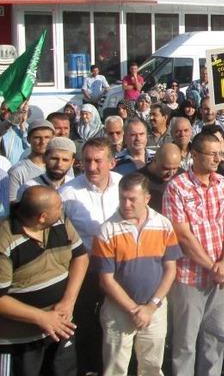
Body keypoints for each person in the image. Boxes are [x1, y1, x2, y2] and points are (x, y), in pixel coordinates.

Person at [91, 173, 180, 376]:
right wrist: (135, 309)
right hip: (117, 310)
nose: (126, 204)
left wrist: (150, 307)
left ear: (147, 199)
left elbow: (170, 269)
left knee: (152, 366)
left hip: (154, 309)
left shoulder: (164, 225)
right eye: (123, 198)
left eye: (132, 199)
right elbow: (106, 280)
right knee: (115, 368)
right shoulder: (106, 230)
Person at [163, 132, 224, 376]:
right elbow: (182, 235)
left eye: (220, 153)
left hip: (220, 277)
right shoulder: (177, 188)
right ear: (194, 155)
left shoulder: (222, 183)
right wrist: (212, 267)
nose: (218, 158)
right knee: (185, 343)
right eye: (211, 153)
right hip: (190, 278)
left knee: (216, 337)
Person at [0, 186, 88, 376]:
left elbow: (80, 257)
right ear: (42, 217)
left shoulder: (60, 221)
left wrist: (68, 302)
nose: (62, 207)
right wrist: (42, 317)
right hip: (19, 342)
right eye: (58, 206)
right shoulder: (4, 241)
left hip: (61, 329)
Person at [59, 136, 121, 374]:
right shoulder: (67, 194)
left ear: (111, 162)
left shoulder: (123, 184)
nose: (92, 167)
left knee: (116, 326)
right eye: (87, 161)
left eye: (98, 161)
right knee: (86, 326)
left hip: (119, 271)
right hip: (85, 272)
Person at [8, 120, 54, 203]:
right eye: (37, 137)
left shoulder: (61, 165)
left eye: (47, 137)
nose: (42, 142)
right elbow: (11, 205)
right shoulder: (18, 171)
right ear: (29, 139)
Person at [136, 143, 183, 213]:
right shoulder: (138, 180)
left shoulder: (182, 176)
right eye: (166, 168)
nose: (171, 173)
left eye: (175, 168)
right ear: (155, 160)